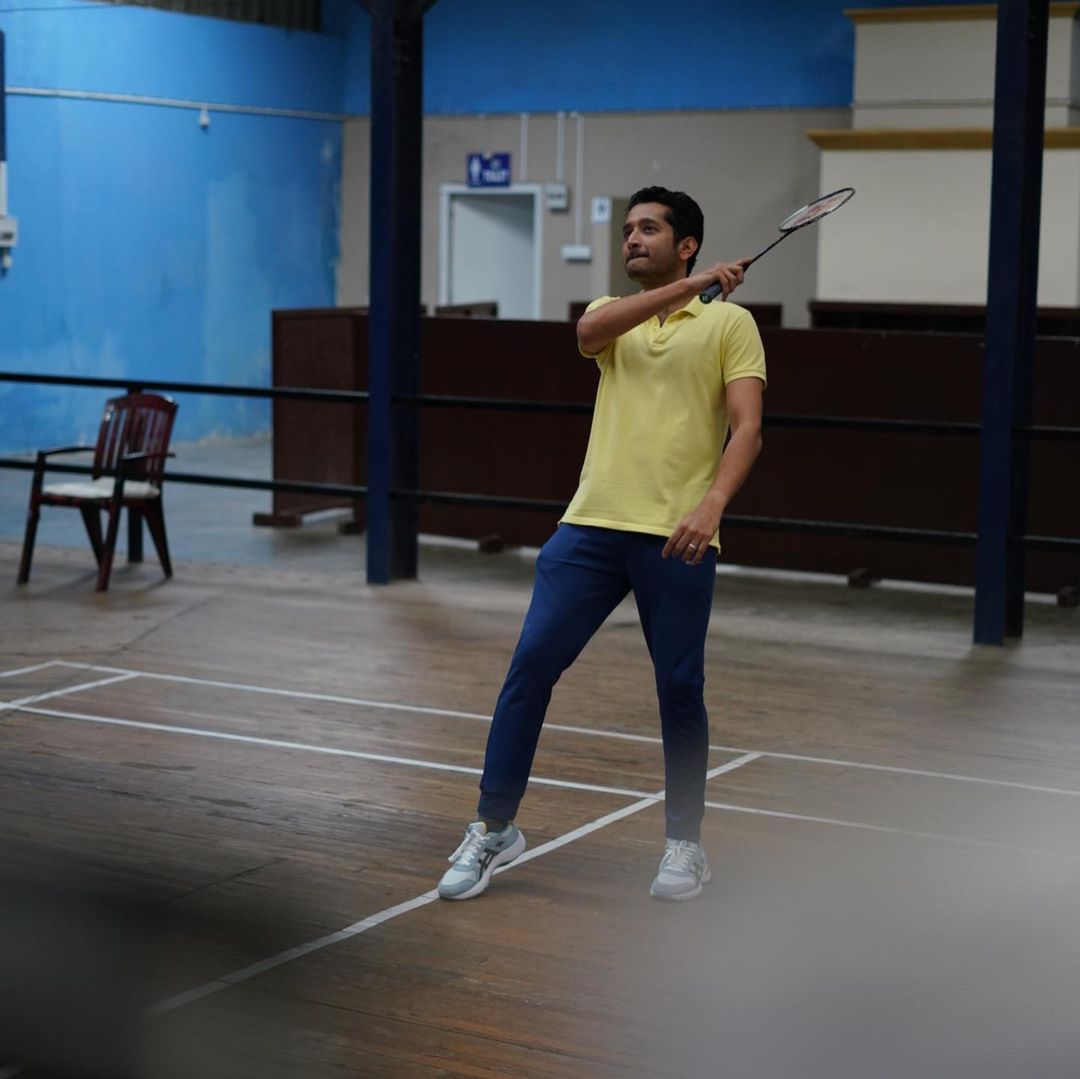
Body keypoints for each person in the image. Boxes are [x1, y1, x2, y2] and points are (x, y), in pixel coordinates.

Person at [438, 186, 766, 902]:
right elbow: (588, 336)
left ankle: (686, 843)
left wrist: (712, 505)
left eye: (649, 229)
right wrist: (692, 285)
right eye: (627, 230)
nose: (632, 240)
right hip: (589, 529)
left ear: (686, 242)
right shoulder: (608, 318)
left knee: (680, 688)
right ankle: (494, 827)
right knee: (529, 667)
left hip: (677, 536)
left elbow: (747, 428)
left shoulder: (731, 325)